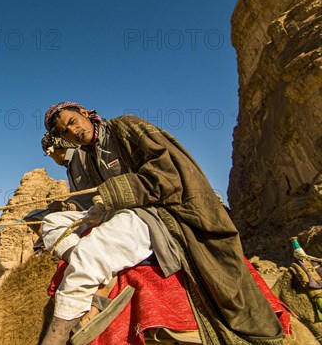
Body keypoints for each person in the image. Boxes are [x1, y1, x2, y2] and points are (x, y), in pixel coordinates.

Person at [40, 101, 285, 345]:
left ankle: (58, 335)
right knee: (52, 222)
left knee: (91, 251)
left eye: (72, 122)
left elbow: (170, 173)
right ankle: (96, 272)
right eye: (64, 132)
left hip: (160, 211)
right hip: (117, 213)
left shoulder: (126, 128)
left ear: (84, 113)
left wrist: (119, 191)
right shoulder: (87, 156)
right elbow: (96, 197)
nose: (72, 131)